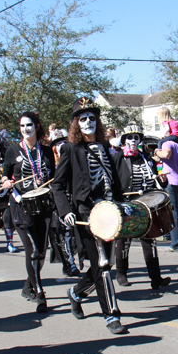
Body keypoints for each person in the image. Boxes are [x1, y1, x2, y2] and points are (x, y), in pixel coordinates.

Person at [51, 97, 127, 334]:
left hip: (110, 212)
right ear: (76, 123)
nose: (88, 122)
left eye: (91, 118)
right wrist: (66, 211)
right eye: (82, 119)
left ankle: (76, 293)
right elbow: (57, 185)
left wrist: (122, 203)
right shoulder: (70, 149)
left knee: (105, 263)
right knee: (102, 265)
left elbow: (113, 180)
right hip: (87, 214)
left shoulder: (105, 147)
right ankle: (111, 315)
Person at [1, 112, 56, 313]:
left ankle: (27, 286)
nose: (25, 129)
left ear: (37, 126)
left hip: (43, 206)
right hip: (21, 206)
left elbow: (53, 176)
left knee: (41, 251)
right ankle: (40, 294)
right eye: (22, 125)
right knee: (32, 250)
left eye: (29, 125)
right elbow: (5, 175)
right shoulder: (12, 150)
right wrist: (6, 182)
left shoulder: (46, 151)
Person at [111, 125, 171, 289]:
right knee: (124, 240)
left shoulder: (146, 157)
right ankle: (121, 273)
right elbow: (111, 179)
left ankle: (155, 277)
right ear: (124, 140)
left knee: (150, 240)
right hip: (127, 204)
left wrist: (162, 181)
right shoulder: (118, 157)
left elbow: (154, 178)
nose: (133, 140)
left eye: (136, 137)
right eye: (130, 137)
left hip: (146, 204)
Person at [47, 129, 80, 277]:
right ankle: (69, 263)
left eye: (64, 142)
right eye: (58, 144)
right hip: (58, 202)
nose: (62, 145)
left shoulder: (74, 160)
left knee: (75, 234)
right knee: (64, 233)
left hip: (74, 199)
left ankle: (74, 259)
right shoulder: (50, 165)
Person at [155, 130, 178, 252]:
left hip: (171, 182)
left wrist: (156, 151)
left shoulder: (168, 143)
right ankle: (175, 240)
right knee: (176, 212)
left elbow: (166, 154)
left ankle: (176, 244)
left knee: (173, 213)